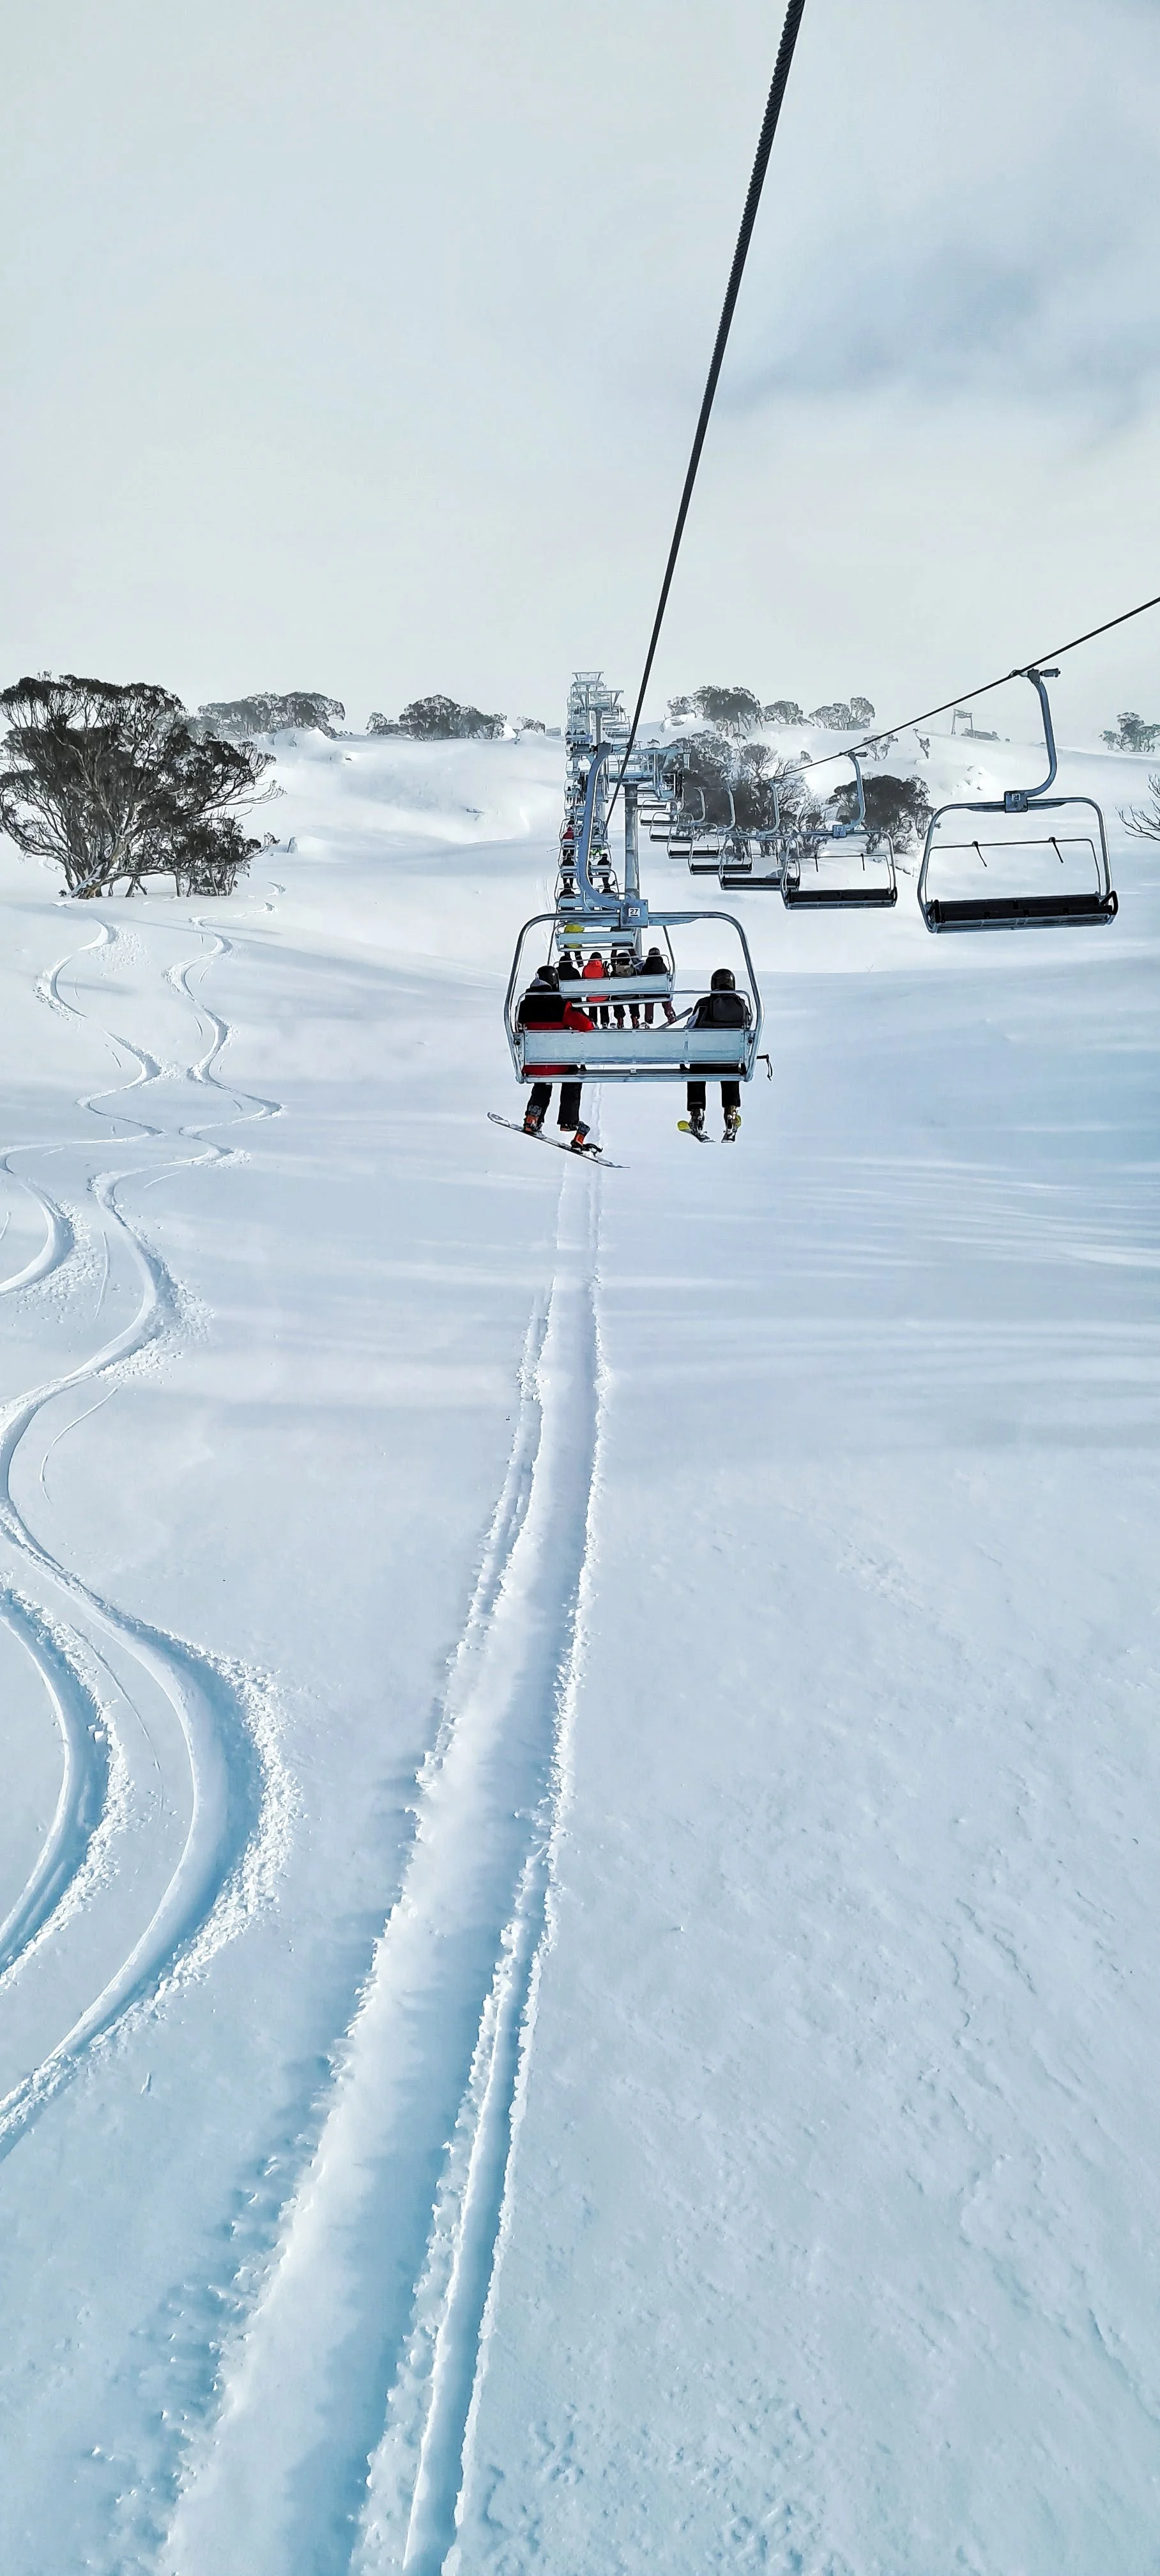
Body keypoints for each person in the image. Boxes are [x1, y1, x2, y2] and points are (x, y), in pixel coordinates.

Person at [516, 963, 593, 1147]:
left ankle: (533, 1116)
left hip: (533, 1063)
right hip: (559, 1064)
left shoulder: (524, 1004)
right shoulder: (560, 1006)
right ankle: (569, 1121)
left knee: (543, 1081)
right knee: (573, 1076)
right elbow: (586, 1026)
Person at [684, 966, 750, 1140]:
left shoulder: (704, 1003)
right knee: (731, 1072)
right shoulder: (742, 1005)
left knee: (696, 1071)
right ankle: (731, 1115)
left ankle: (697, 1114)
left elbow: (690, 1028)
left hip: (703, 1061)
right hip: (731, 1061)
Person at [641, 943, 677, 1027]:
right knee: (667, 999)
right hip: (662, 991)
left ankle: (649, 1019)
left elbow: (642, 976)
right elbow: (666, 974)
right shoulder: (662, 965)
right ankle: (670, 1014)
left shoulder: (647, 965)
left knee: (649, 1002)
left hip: (650, 992)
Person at [583, 948, 610, 1028]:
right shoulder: (603, 968)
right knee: (604, 1004)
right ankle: (605, 1021)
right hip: (603, 996)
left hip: (591, 997)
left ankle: (593, 1021)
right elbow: (608, 981)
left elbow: (583, 980)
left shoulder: (586, 968)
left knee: (592, 1004)